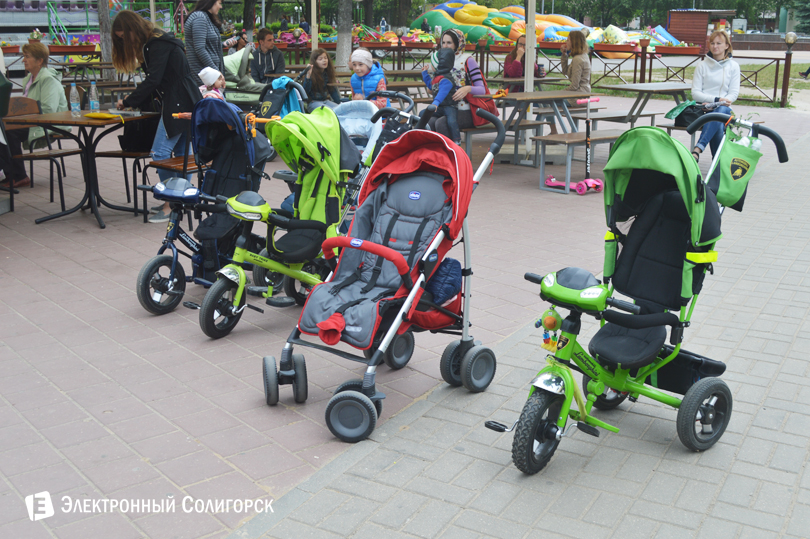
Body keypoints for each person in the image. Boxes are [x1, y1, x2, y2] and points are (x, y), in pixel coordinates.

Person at [112, 10, 201, 224]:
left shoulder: (156, 44)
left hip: (177, 100)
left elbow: (154, 80)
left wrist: (129, 101)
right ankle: (181, 200)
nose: (125, 41)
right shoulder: (161, 39)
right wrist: (134, 99)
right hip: (188, 97)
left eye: (124, 36)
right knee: (182, 155)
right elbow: (158, 79)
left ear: (132, 29)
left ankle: (170, 203)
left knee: (160, 152)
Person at [0, 42, 68, 189]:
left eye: (27, 57)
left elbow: (47, 110)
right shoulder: (29, 79)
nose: (23, 60)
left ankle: (19, 176)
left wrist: (19, 116)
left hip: (49, 123)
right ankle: (10, 174)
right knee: (2, 129)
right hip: (31, 121)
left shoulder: (48, 79)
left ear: (39, 61)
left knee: (8, 132)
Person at [426, 29, 488, 140]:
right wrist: (432, 87)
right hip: (444, 107)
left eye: (449, 43)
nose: (445, 46)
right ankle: (435, 155)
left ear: (457, 43)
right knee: (428, 122)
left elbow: (482, 89)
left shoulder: (468, 60)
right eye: (443, 42)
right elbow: (431, 88)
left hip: (465, 110)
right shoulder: (439, 59)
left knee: (441, 124)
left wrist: (467, 89)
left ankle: (453, 153)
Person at [691, 30, 740, 162]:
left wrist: (723, 102)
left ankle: (698, 149)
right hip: (703, 109)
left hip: (724, 108)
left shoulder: (733, 66)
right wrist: (715, 100)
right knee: (718, 120)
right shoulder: (702, 65)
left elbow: (734, 93)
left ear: (726, 46)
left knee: (721, 111)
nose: (715, 46)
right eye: (712, 43)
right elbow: (695, 93)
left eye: (719, 43)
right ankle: (718, 163)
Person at [185, 0, 239, 86]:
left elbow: (206, 46)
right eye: (219, 3)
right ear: (211, 2)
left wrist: (223, 44)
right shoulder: (199, 18)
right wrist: (216, 73)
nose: (221, 7)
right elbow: (199, 49)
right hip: (205, 77)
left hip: (209, 76)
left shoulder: (205, 17)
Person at [422, 48, 461, 144]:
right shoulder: (436, 78)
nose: (431, 65)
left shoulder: (446, 80)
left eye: (432, 63)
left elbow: (442, 93)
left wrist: (435, 103)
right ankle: (425, 136)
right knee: (423, 114)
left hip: (449, 106)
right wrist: (424, 74)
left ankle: (457, 140)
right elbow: (431, 85)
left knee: (451, 121)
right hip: (439, 108)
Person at [560, 30, 591, 98]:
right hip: (583, 94)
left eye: (568, 40)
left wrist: (560, 93)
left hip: (578, 96)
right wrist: (564, 55)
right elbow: (565, 71)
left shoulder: (577, 59)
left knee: (546, 102)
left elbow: (574, 86)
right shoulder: (583, 55)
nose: (566, 42)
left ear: (574, 42)